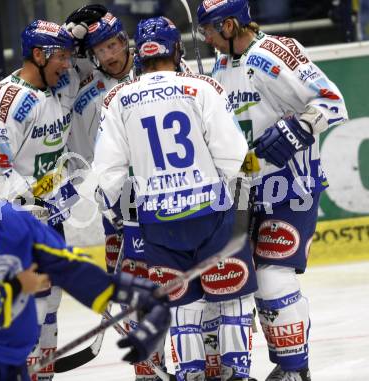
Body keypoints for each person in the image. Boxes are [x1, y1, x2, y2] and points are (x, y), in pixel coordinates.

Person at [92, 16, 256, 381]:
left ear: (140, 54)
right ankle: (238, 373)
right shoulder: (203, 87)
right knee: (233, 296)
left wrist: (119, 213)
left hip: (158, 223)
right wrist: (242, 196)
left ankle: (190, 372)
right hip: (211, 215)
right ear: (176, 49)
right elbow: (235, 158)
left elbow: (108, 172)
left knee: (181, 302)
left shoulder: (117, 98)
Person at [0, 142, 171, 381]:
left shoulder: (12, 221)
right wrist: (18, 286)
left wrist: (136, 294)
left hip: (9, 365)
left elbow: (66, 264)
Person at [197, 0, 348, 380]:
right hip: (246, 189)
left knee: (272, 279)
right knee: (237, 284)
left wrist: (299, 129)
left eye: (211, 31)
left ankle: (295, 370)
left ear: (230, 25)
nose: (207, 39)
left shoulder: (276, 53)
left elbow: (332, 102)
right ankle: (278, 365)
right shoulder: (222, 62)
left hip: (290, 185)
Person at [0, 19, 84, 380]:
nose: (67, 64)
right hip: (14, 223)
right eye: (60, 57)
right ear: (38, 55)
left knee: (50, 303)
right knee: (25, 310)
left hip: (48, 216)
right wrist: (25, 203)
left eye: (68, 56)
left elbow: (89, 66)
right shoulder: (9, 101)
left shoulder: (59, 85)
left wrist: (79, 31)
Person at [65, 6, 169, 379]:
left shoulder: (159, 70)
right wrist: (105, 201)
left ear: (125, 42)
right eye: (100, 49)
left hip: (167, 198)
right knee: (135, 290)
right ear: (92, 54)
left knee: (179, 285)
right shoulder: (87, 99)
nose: (109, 55)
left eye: (113, 44)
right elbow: (83, 160)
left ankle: (199, 361)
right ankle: (148, 369)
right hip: (119, 207)